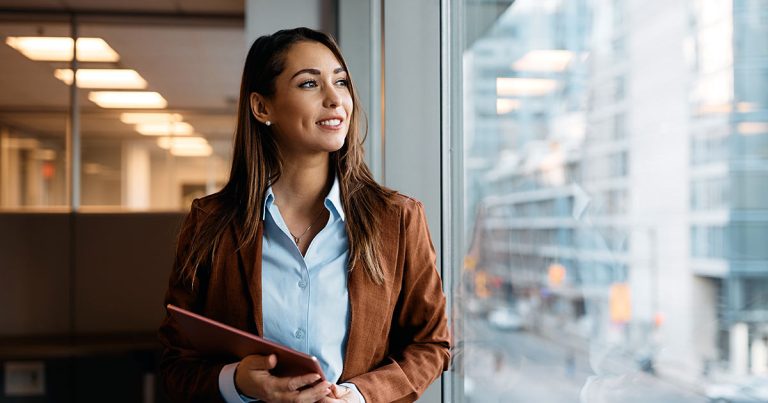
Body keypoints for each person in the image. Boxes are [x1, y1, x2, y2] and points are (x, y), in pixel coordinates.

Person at [158, 27, 451, 403]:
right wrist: (238, 382)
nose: (335, 99)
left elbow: (432, 343)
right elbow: (174, 363)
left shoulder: (397, 219)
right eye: (310, 84)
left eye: (341, 82)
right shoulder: (210, 222)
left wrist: (360, 395)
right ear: (263, 107)